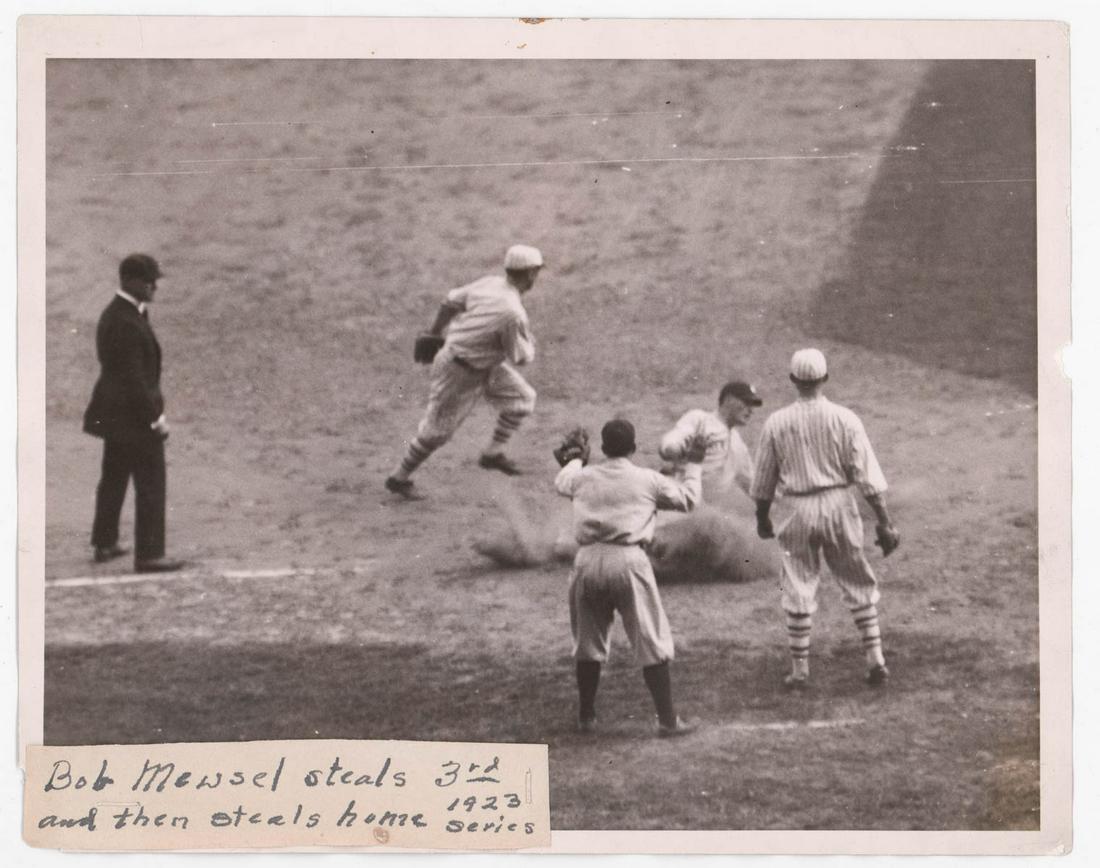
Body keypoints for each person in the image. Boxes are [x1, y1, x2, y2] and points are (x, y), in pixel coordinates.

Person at [750, 348, 900, 688]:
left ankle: (800, 670)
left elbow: (763, 481)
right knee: (856, 577)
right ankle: (875, 659)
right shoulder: (845, 419)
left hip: (797, 509)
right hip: (838, 504)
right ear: (825, 379)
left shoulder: (776, 422)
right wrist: (885, 521)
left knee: (799, 582)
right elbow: (867, 477)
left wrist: (762, 518)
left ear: (793, 381)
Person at [554, 419, 706, 738]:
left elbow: (563, 479)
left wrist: (577, 459)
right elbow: (688, 500)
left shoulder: (581, 478)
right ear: (633, 448)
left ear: (604, 448)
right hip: (628, 562)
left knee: (588, 641)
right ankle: (667, 721)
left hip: (586, 561)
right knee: (650, 638)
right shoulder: (647, 480)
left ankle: (586, 716)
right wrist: (693, 464)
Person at [386, 245, 543, 498]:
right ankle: (398, 477)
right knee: (436, 432)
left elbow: (450, 301)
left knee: (523, 399)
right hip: (458, 372)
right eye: (536, 272)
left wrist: (435, 331)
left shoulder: (491, 284)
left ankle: (492, 454)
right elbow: (521, 357)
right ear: (530, 274)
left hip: (484, 366)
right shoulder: (513, 313)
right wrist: (531, 344)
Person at [83, 254, 185, 573]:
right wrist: (155, 418)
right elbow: (134, 380)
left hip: (114, 414)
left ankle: (105, 542)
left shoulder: (122, 314)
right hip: (133, 417)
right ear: (128, 281)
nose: (154, 286)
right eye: (148, 280)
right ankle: (150, 554)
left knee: (114, 477)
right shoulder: (126, 321)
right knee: (151, 481)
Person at [659, 379, 762, 504]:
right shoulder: (701, 419)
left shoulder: (739, 445)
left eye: (752, 405)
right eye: (746, 403)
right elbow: (672, 440)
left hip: (707, 511)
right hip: (679, 500)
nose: (751, 410)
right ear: (729, 400)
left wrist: (782, 500)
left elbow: (753, 486)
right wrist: (674, 449)